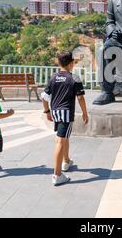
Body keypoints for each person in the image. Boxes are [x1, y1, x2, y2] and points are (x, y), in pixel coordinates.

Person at [41, 51, 89, 186]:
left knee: (64, 137)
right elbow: (80, 97)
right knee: (60, 141)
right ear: (71, 63)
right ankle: (57, 175)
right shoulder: (74, 78)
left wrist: (47, 112)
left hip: (56, 112)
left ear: (59, 63)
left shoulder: (53, 77)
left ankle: (66, 161)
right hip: (66, 113)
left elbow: (44, 97)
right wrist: (85, 113)